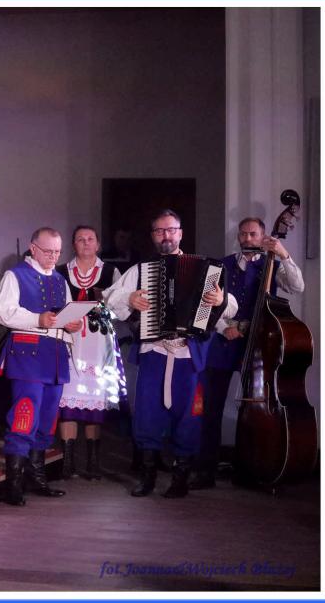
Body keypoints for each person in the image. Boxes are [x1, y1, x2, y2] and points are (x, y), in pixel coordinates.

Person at [103, 209, 237, 498]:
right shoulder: (141, 270)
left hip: (189, 354)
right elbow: (109, 298)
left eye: (171, 230)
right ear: (153, 235)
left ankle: (180, 478)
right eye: (159, 230)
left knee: (189, 415)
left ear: (180, 233)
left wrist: (220, 300)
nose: (166, 235)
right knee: (148, 413)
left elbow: (231, 307)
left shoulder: (207, 270)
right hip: (154, 350)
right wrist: (130, 298)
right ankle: (148, 476)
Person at [190, 217, 305, 489]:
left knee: (252, 410)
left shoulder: (271, 265)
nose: (247, 239)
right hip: (223, 343)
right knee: (210, 409)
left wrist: (284, 255)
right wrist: (223, 327)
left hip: (257, 345)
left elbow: (297, 286)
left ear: (263, 236)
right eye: (243, 234)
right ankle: (205, 471)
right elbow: (206, 304)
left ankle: (249, 468)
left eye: (253, 234)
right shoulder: (222, 265)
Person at [0, 227, 83, 505]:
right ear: (33, 248)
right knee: (24, 416)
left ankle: (37, 477)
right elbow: (4, 313)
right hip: (28, 357)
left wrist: (72, 323)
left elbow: (65, 313)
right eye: (48, 251)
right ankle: (13, 484)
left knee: (47, 419)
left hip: (55, 356)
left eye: (57, 252)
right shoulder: (15, 275)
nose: (53, 257)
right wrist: (37, 319)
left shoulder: (59, 280)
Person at [54, 226, 124, 480]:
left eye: (90, 239)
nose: (86, 243)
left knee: (95, 403)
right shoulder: (61, 272)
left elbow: (120, 309)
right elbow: (54, 307)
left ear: (98, 244)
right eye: (80, 239)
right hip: (71, 342)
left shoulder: (111, 272)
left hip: (99, 344)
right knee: (68, 404)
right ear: (73, 244)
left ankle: (93, 462)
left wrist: (106, 304)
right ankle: (68, 461)